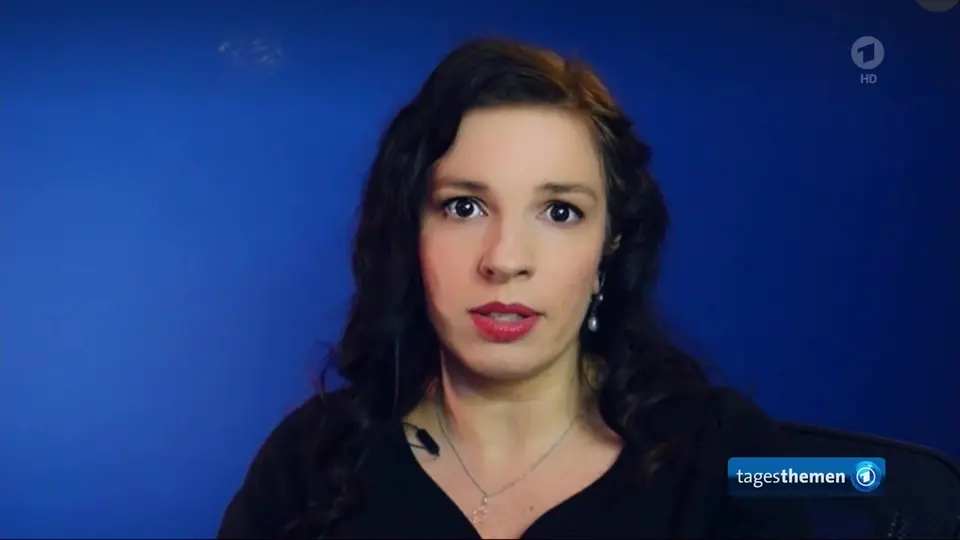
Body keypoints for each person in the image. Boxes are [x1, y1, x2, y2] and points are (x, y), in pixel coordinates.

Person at [217, 38, 809, 539]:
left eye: (560, 212)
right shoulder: (310, 463)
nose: (504, 260)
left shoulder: (724, 455)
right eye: (464, 207)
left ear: (610, 245)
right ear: (411, 233)